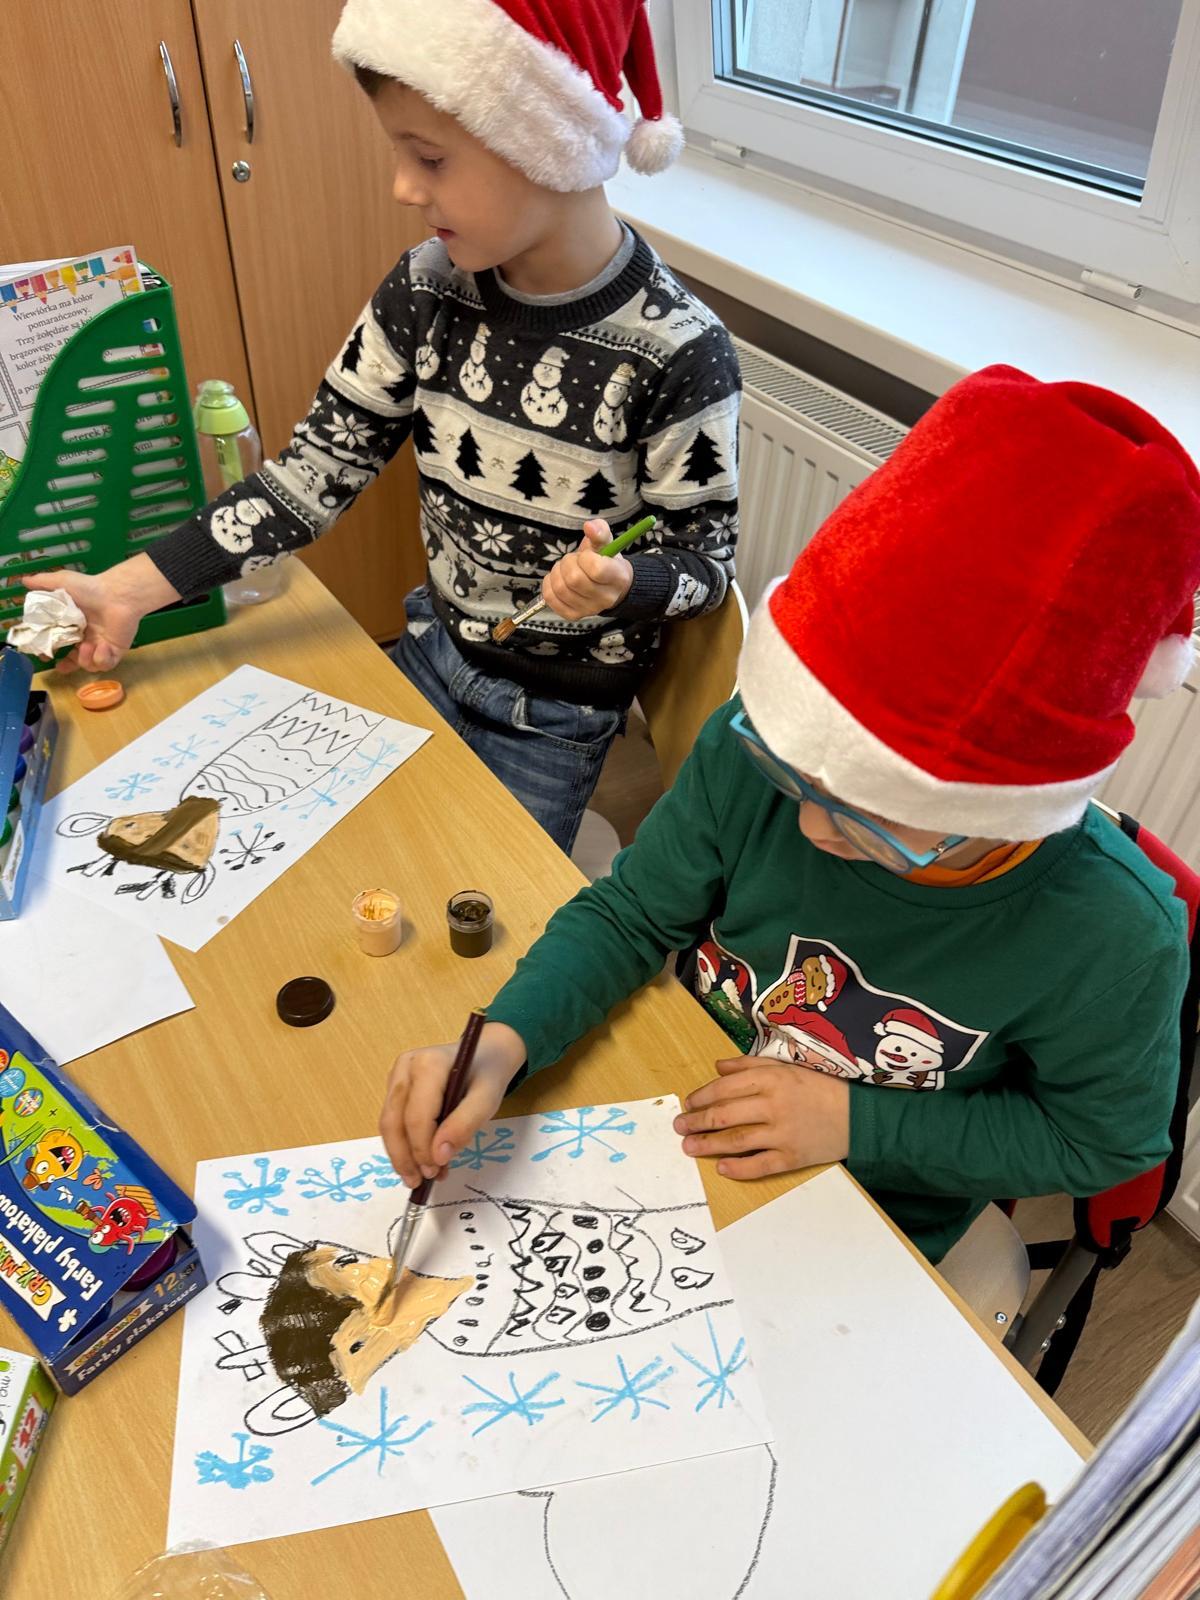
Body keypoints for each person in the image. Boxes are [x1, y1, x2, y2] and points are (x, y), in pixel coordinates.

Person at [379, 364, 1200, 1262]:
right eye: (793, 774)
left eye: (868, 818)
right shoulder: (759, 749)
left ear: (1004, 815)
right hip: (677, 1099)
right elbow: (632, 913)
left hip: (868, 1212)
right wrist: (505, 1041)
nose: (809, 825)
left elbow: (1100, 1144)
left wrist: (857, 1123)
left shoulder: (1114, 938)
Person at [26, 0, 740, 854]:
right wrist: (127, 590)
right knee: (355, 855)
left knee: (477, 892)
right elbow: (309, 476)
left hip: (552, 716)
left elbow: (705, 565)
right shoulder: (427, 287)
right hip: (430, 650)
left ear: (545, 140)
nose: (404, 187)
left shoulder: (679, 351)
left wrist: (626, 584)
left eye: (430, 157)